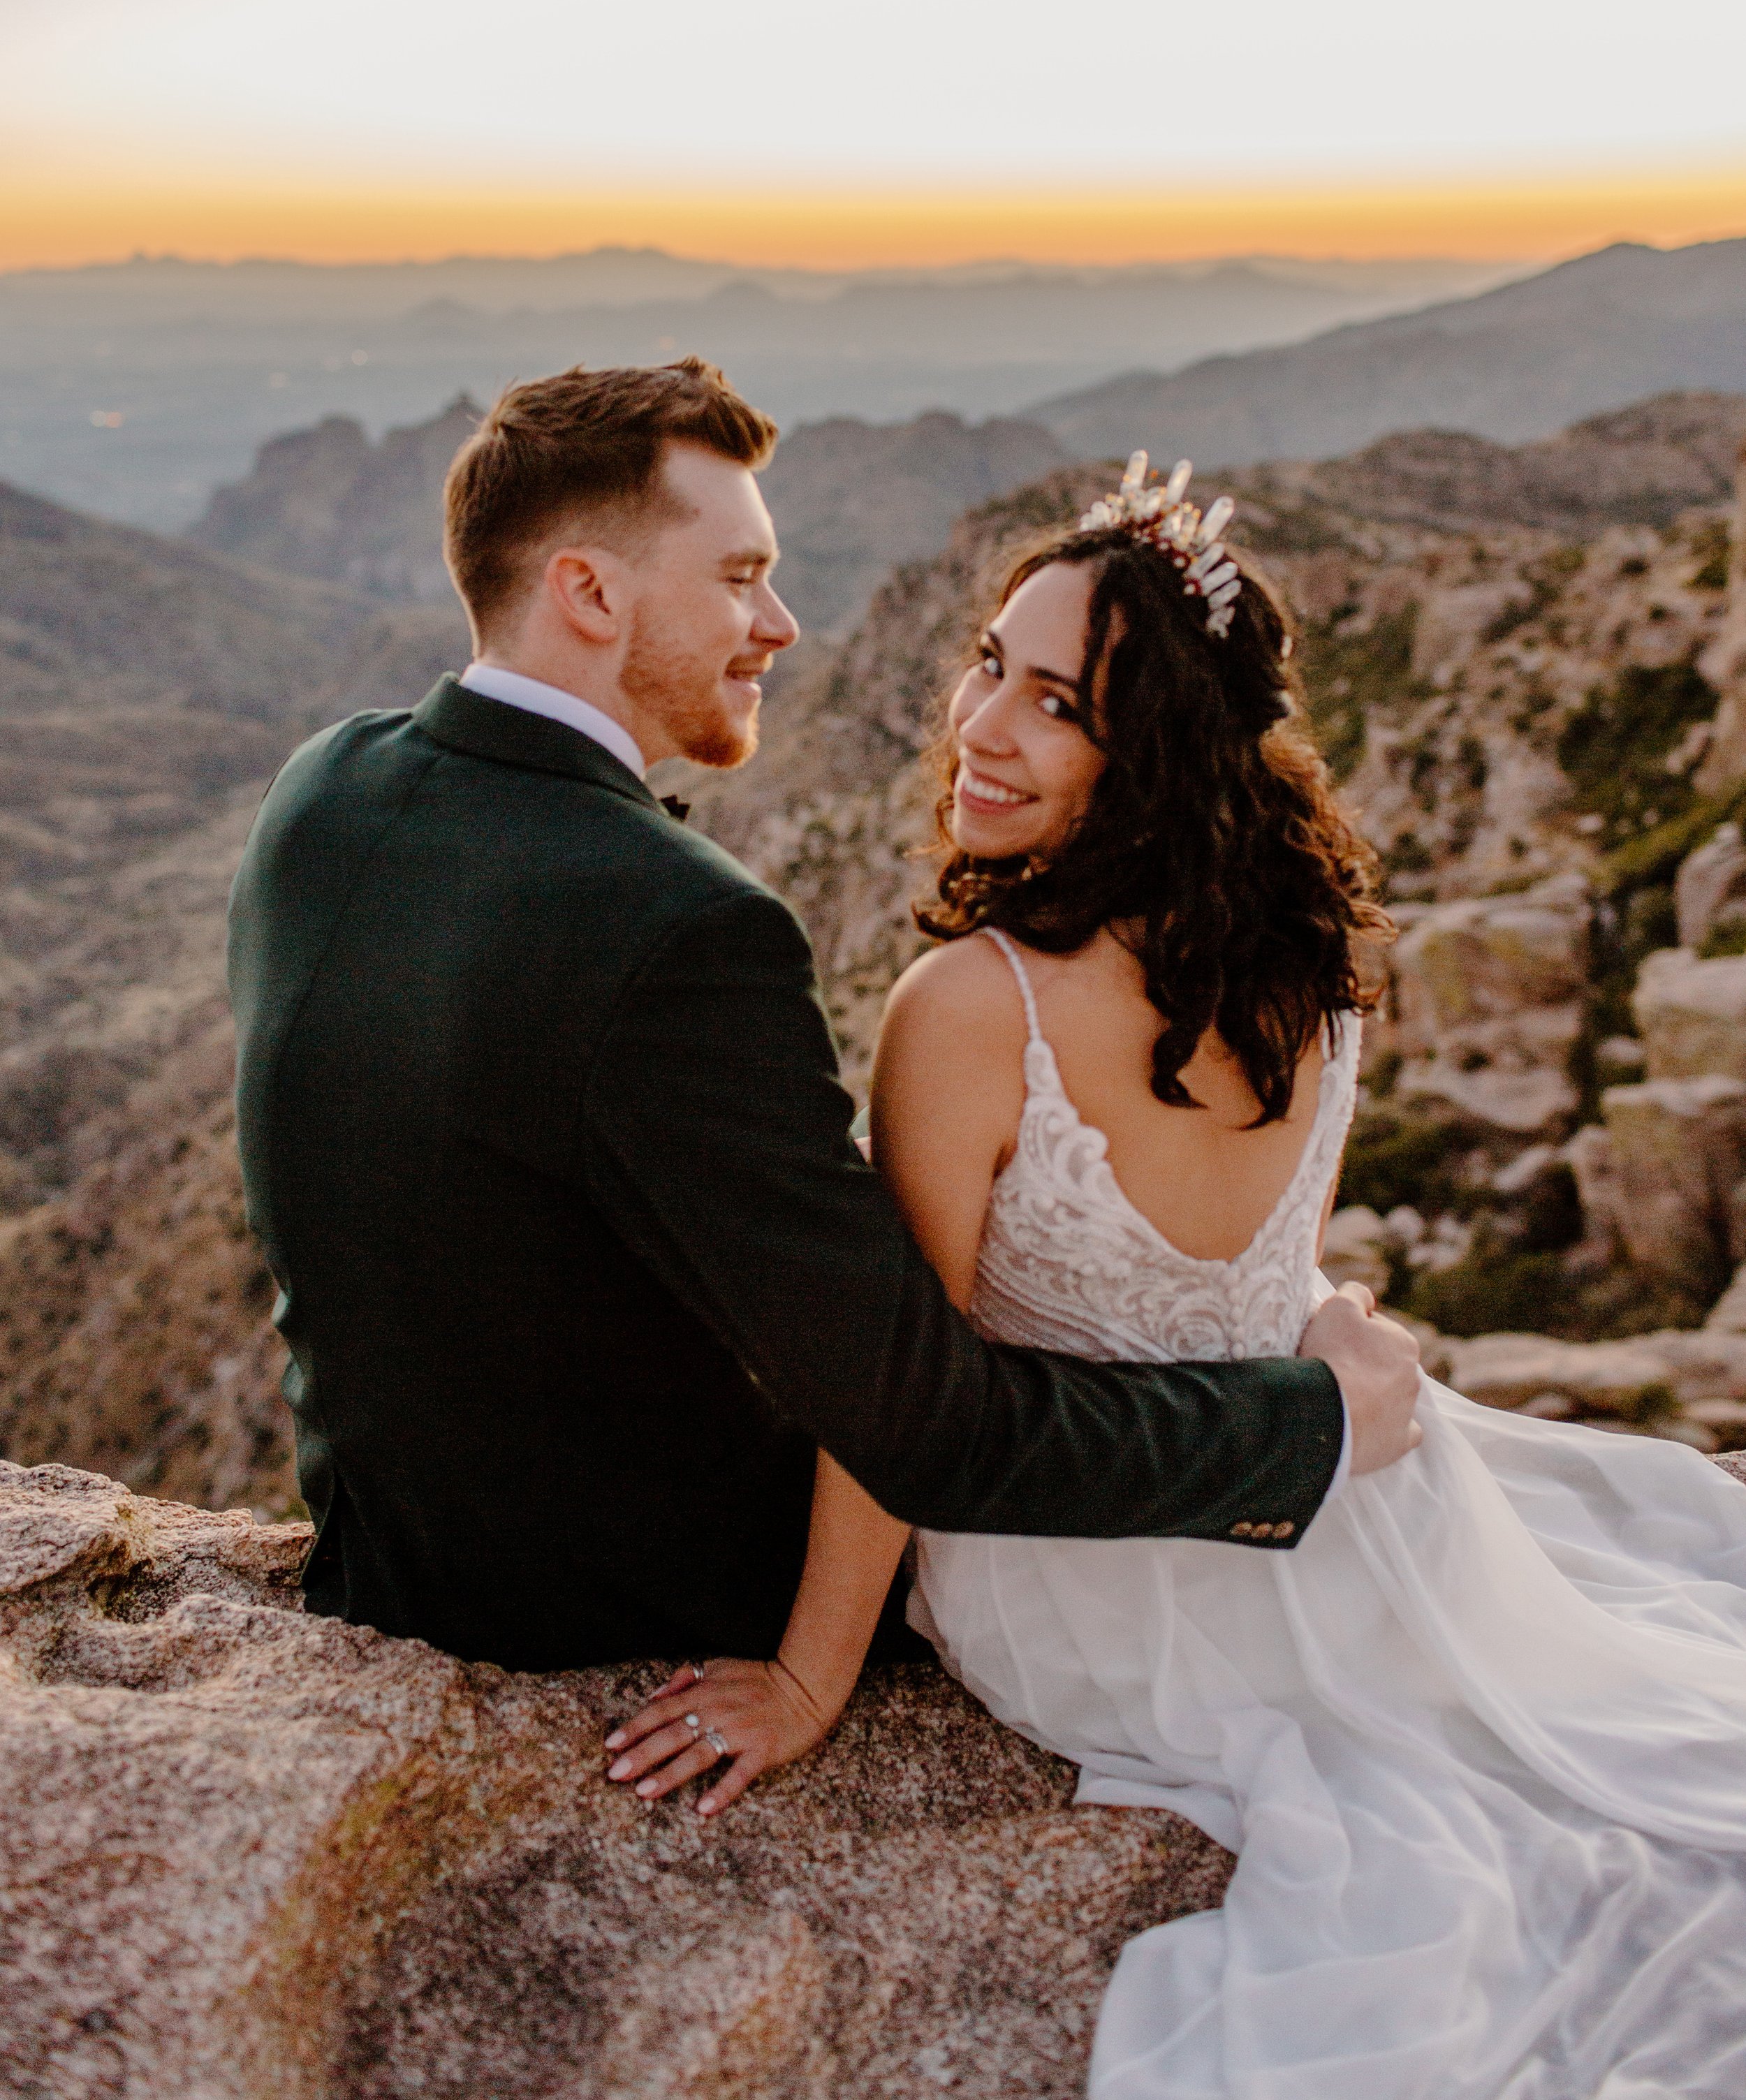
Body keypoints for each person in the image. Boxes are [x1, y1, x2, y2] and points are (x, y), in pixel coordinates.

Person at [610, 453, 1746, 2100]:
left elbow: (896, 1385)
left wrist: (807, 1678)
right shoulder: (1311, 958)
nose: (980, 724)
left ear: (1146, 755)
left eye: (1054, 702)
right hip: (1352, 1498)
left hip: (1091, 1588)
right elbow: (1247, 1268)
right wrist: (1325, 1343)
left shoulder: (969, 1008)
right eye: (987, 661)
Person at [227, 365, 1418, 1677]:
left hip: (382, 1557)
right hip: (629, 1608)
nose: (783, 623)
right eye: (740, 576)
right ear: (589, 591)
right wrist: (1310, 1426)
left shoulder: (321, 788)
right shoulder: (681, 928)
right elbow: (925, 1425)